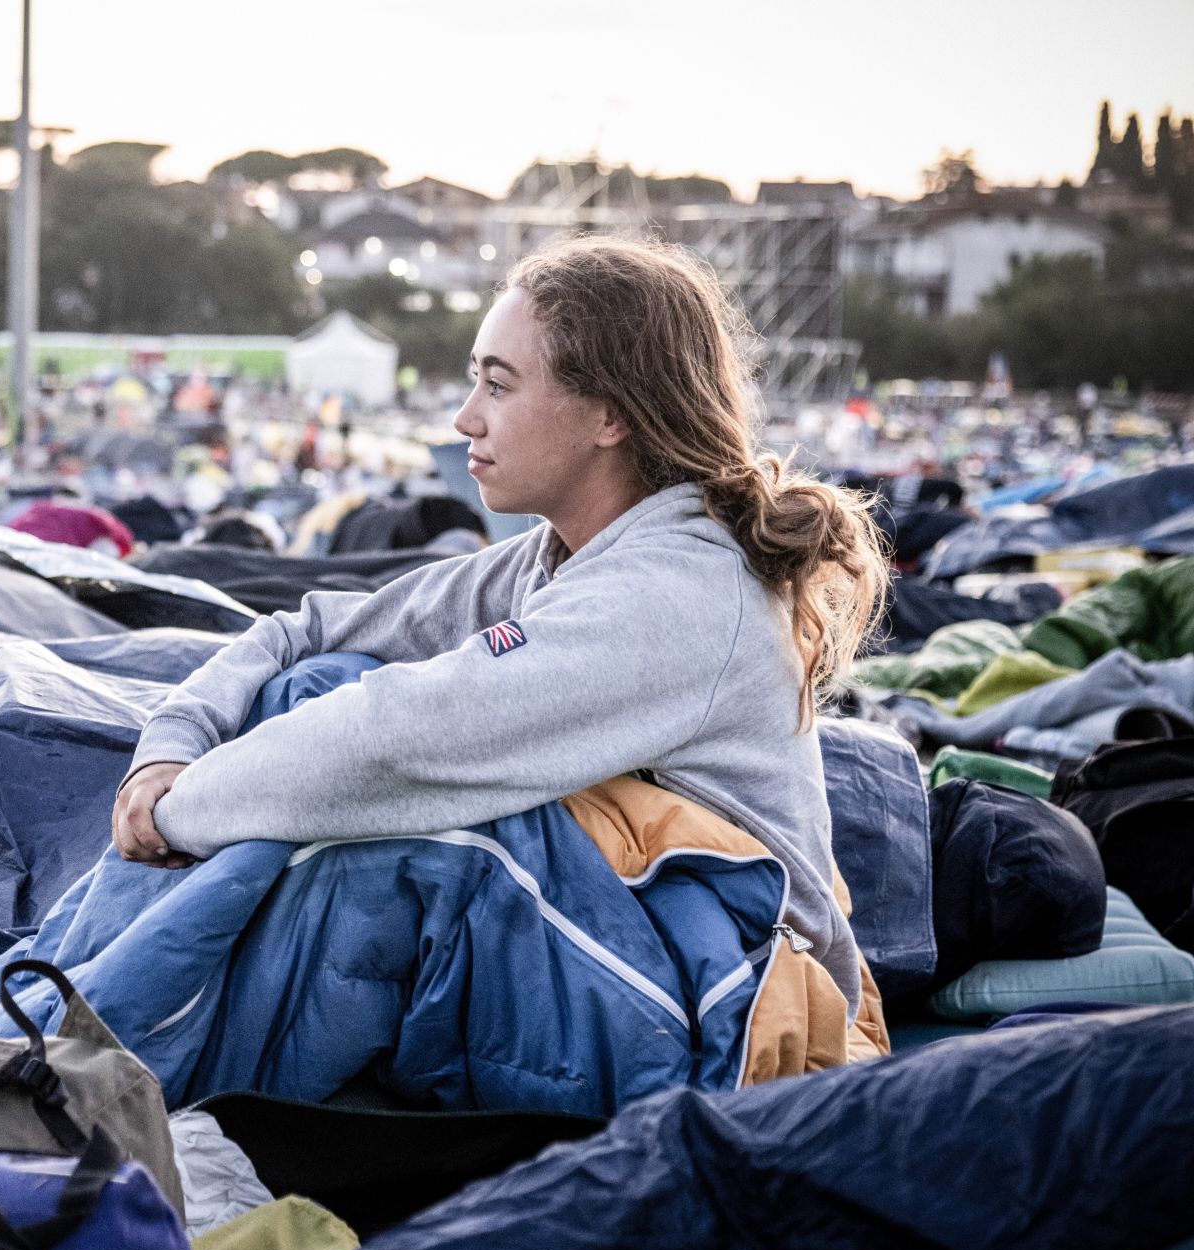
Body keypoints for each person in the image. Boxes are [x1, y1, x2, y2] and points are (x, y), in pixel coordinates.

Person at [112, 236, 888, 1014]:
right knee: (318, 688)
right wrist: (170, 751)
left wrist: (181, 812)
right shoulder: (556, 557)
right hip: (650, 961)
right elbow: (309, 631)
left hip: (744, 1008)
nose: (464, 417)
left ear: (610, 414)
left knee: (413, 850)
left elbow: (399, 740)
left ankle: (82, 1040)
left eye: (498, 385)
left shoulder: (677, 597)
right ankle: (66, 1021)